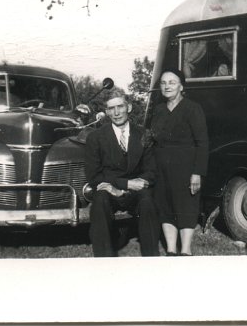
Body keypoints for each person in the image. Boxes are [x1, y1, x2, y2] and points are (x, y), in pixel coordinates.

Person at [84, 91, 160, 257]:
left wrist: (137, 184)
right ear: (107, 112)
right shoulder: (95, 137)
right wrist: (122, 185)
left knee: (148, 201)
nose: (116, 113)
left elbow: (152, 170)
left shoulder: (143, 134)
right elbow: (93, 175)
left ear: (129, 107)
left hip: (136, 192)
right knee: (99, 201)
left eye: (120, 106)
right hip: (109, 190)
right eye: (111, 108)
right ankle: (104, 261)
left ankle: (152, 260)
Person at [150, 68, 209, 255]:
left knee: (186, 208)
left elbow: (202, 142)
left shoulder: (193, 108)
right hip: (161, 169)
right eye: (163, 83)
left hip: (186, 169)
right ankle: (170, 250)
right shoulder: (158, 110)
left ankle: (185, 250)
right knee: (165, 206)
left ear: (181, 86)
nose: (167, 86)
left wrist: (197, 172)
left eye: (172, 82)